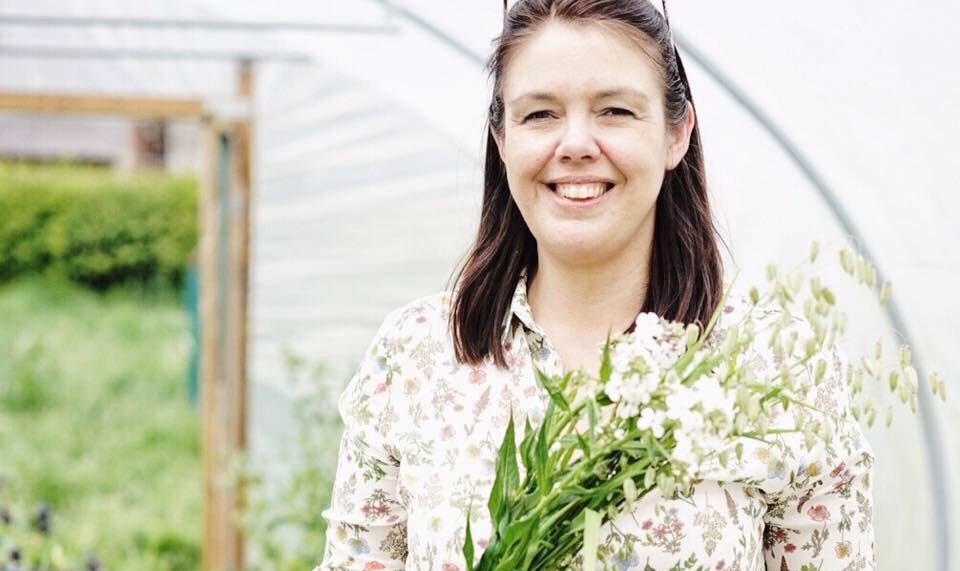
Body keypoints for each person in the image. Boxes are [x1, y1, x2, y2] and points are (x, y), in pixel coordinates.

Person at [316, 1, 875, 569]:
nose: (577, 144)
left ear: (676, 133)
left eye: (614, 111)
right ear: (501, 138)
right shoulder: (416, 356)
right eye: (540, 115)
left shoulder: (774, 367)